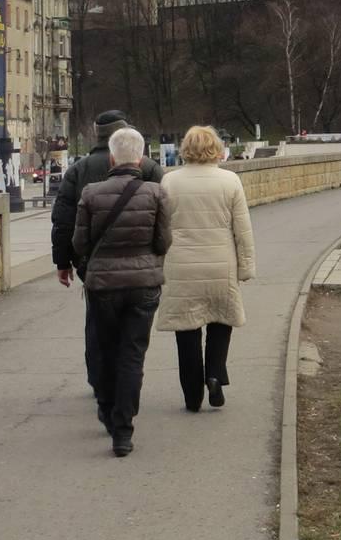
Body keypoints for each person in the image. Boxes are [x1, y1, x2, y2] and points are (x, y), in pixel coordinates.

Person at [69, 127, 171, 457]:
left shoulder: (91, 193)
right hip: (143, 286)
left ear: (112, 158)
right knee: (132, 355)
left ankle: (107, 408)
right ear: (140, 158)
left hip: (103, 286)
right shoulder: (156, 193)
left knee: (105, 348)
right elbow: (163, 242)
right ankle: (123, 428)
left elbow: (80, 243)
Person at [158, 127, 255, 414]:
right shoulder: (230, 181)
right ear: (217, 148)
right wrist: (246, 267)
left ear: (185, 148)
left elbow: (161, 229)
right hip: (220, 263)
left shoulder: (169, 182)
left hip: (181, 266)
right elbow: (243, 230)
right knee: (220, 321)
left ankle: (191, 395)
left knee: (186, 330)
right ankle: (214, 374)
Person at [51, 110, 164, 279]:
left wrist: (62, 261)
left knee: (99, 303)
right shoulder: (149, 167)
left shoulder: (77, 170)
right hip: (143, 264)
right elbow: (165, 219)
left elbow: (63, 221)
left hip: (93, 264)